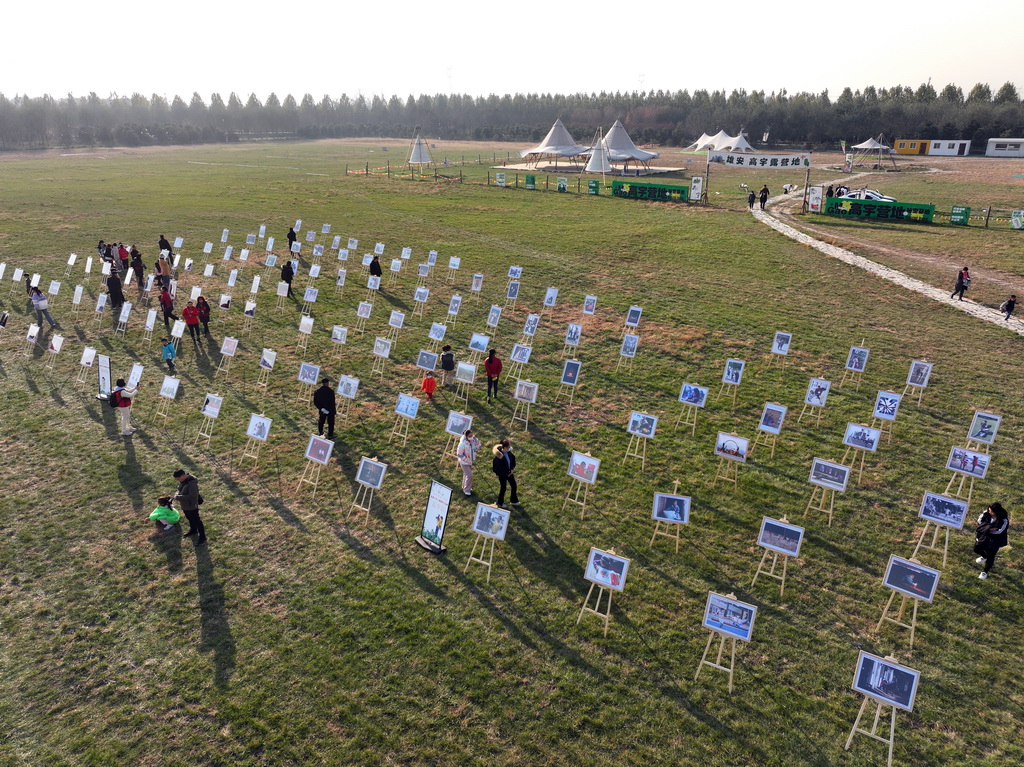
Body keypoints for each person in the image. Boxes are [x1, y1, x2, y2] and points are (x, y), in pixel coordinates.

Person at [975, 503, 1010, 580]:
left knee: (991, 555)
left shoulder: (1004, 520)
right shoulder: (986, 513)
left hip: (996, 540)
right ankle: (984, 556)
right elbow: (979, 521)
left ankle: (985, 572)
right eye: (989, 510)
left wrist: (986, 529)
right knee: (976, 548)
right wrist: (989, 528)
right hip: (983, 536)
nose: (989, 512)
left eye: (992, 511)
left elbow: (999, 531)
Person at [173, 469, 205, 544]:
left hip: (191, 505)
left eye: (178, 478)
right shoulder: (183, 481)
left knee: (197, 521)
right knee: (189, 518)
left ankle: (202, 537)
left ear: (183, 476)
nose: (178, 480)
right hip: (185, 505)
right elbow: (179, 489)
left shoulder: (192, 483)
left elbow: (192, 496)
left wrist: (178, 497)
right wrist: (177, 494)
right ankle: (193, 530)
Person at [491, 439, 520, 509]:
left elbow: (513, 461)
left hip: (510, 473)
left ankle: (513, 500)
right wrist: (507, 473)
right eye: (508, 447)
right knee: (503, 488)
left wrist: (512, 469)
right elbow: (498, 469)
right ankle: (500, 502)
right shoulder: (498, 457)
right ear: (504, 448)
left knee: (514, 485)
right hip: (503, 475)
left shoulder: (509, 453)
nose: (510, 447)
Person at [457, 429, 481, 496]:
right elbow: (459, 454)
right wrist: (467, 460)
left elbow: (479, 446)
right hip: (464, 462)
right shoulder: (462, 444)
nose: (471, 437)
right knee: (469, 475)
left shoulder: (473, 441)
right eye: (470, 436)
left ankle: (465, 486)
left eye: (472, 435)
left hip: (470, 462)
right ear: (466, 436)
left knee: (466, 474)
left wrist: (476, 440)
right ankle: (467, 490)